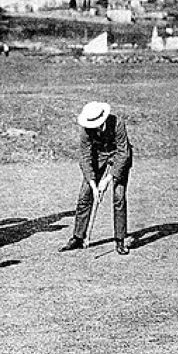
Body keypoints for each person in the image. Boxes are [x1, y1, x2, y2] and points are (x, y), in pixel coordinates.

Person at [60, 102, 133, 255]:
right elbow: (85, 156)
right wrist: (93, 185)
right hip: (98, 157)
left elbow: (123, 153)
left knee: (119, 197)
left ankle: (120, 240)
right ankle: (78, 237)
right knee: (84, 195)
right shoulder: (86, 130)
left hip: (119, 158)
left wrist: (107, 180)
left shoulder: (118, 123)